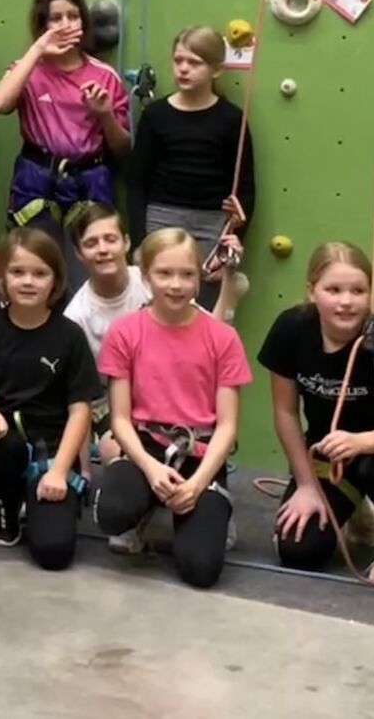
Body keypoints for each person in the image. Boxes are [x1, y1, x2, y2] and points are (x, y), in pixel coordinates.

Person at [258, 241, 374, 588]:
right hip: (332, 454)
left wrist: (360, 442)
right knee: (298, 550)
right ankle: (354, 505)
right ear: (312, 291)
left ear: (371, 293)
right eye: (333, 290)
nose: (346, 301)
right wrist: (307, 486)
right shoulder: (290, 329)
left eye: (358, 291)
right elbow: (285, 413)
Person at [92, 228, 252, 588]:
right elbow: (120, 419)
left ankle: (209, 510)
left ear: (199, 277)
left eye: (186, 274)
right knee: (112, 513)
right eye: (164, 274)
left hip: (200, 453)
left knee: (201, 570)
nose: (176, 285)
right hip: (146, 446)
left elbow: (227, 426)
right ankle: (142, 506)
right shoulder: (125, 332)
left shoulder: (222, 338)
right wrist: (150, 470)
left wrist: (197, 485)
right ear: (146, 276)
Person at [0, 228, 97, 567]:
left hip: (52, 448)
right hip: (5, 438)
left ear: (55, 280)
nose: (28, 281)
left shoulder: (70, 336)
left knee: (54, 552)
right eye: (18, 272)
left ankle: (41, 499)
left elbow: (80, 411)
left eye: (39, 273)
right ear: (3, 278)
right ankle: (6, 500)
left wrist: (59, 472)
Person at [0, 0, 130, 267]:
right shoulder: (28, 70)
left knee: (91, 268)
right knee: (34, 263)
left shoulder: (104, 76)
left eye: (73, 16)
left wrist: (104, 114)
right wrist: (39, 48)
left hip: (89, 180)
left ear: (84, 22)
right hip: (36, 179)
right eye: (56, 18)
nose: (65, 25)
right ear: (43, 24)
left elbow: (123, 148)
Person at [127, 25, 254, 314]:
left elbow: (245, 188)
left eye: (194, 63)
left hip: (211, 222)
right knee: (154, 302)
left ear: (216, 70)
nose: (183, 69)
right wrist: (139, 242)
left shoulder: (232, 119)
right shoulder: (156, 115)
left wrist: (232, 245)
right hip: (160, 217)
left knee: (203, 305)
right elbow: (136, 182)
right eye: (178, 60)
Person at [60, 201, 149, 478]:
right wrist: (85, 471)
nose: (102, 249)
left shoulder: (152, 282)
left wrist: (227, 286)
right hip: (111, 403)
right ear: (78, 253)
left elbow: (205, 328)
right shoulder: (75, 318)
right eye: (91, 243)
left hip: (166, 391)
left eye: (110, 239)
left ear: (126, 243)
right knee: (117, 449)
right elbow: (80, 396)